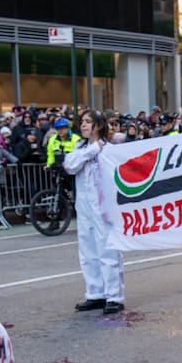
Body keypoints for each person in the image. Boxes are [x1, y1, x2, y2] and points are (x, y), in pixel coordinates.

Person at [63, 110, 125, 314]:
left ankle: (114, 296)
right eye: (81, 122)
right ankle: (95, 293)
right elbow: (69, 166)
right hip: (84, 208)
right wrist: (91, 151)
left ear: (98, 126)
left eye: (88, 122)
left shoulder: (109, 150)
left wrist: (98, 149)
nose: (83, 125)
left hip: (104, 208)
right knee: (88, 252)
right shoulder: (80, 148)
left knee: (107, 251)